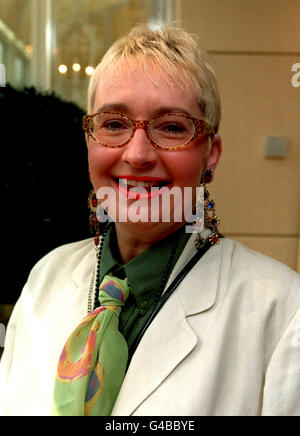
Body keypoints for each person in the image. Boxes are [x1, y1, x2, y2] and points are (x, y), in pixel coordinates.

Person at [1, 24, 300, 417]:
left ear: (211, 154)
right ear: (89, 142)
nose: (138, 154)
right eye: (114, 125)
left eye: (172, 127)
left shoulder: (282, 310)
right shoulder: (45, 278)